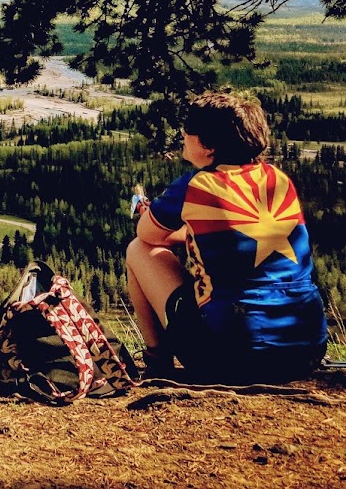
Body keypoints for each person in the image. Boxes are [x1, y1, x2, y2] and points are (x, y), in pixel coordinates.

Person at [126, 89, 327, 383]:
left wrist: (154, 215)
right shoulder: (277, 179)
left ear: (209, 147)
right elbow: (244, 234)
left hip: (231, 356)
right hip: (306, 351)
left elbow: (148, 236)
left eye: (189, 130)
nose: (183, 133)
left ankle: (157, 361)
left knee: (138, 250)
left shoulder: (197, 184)